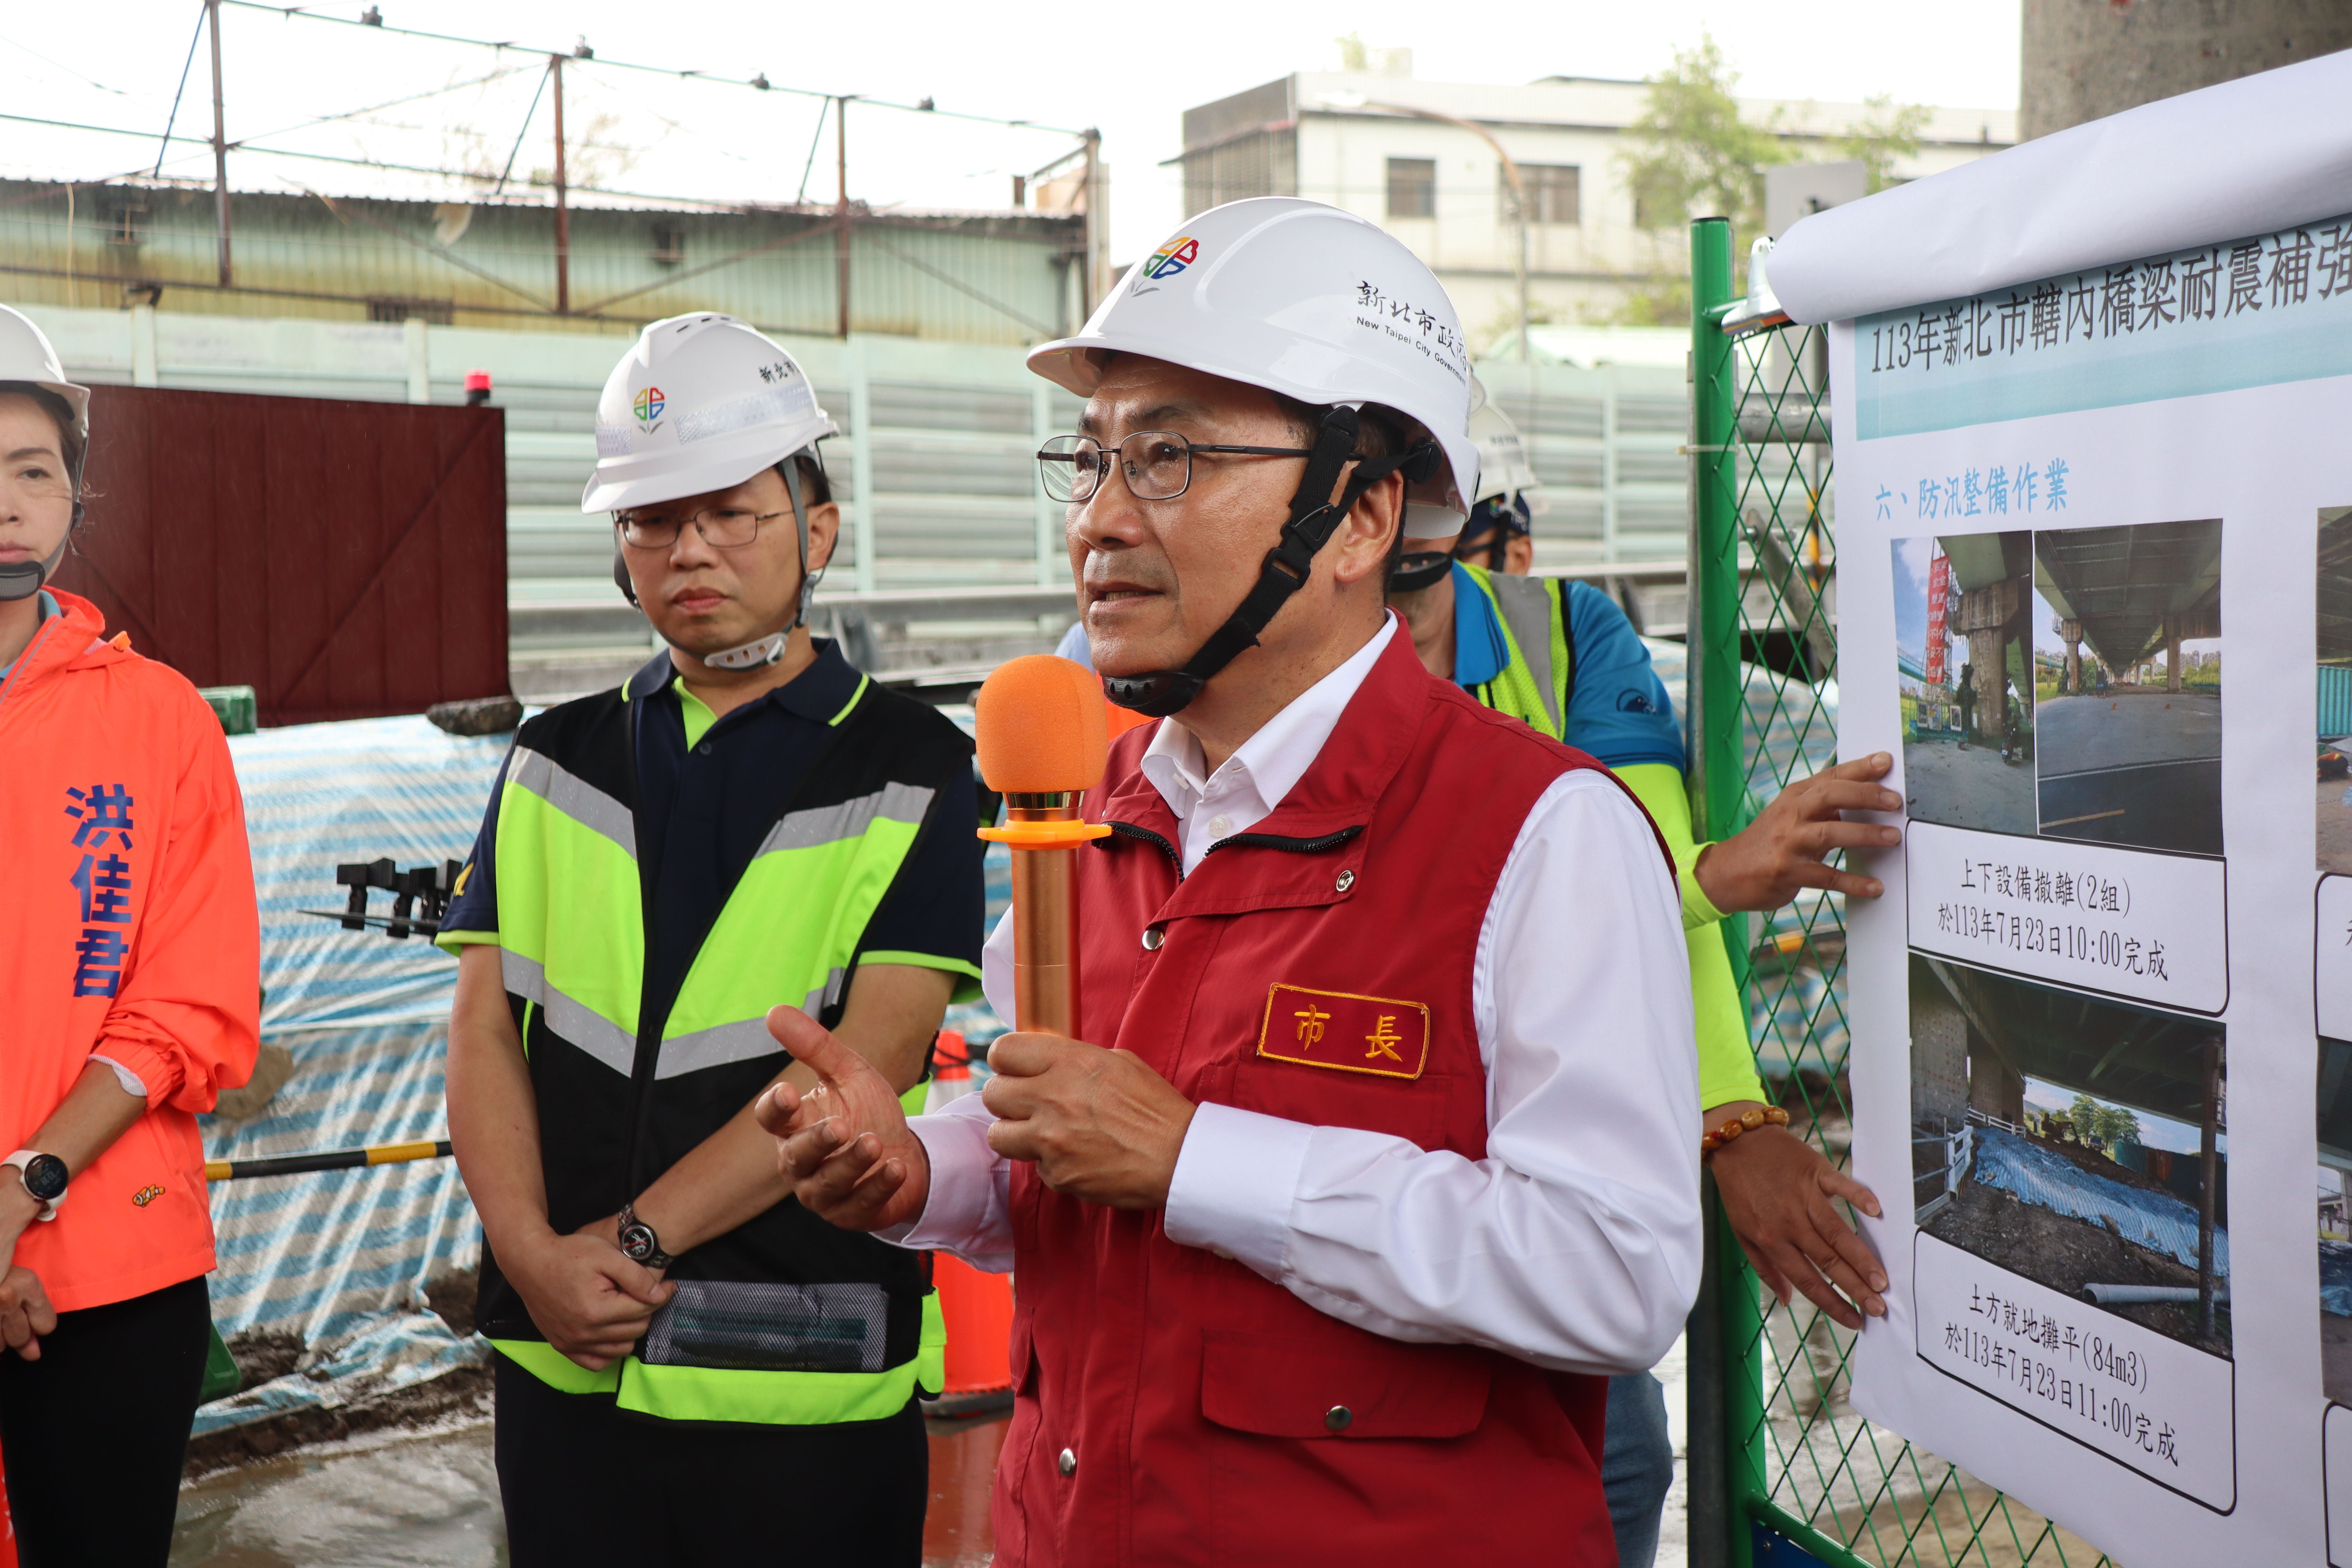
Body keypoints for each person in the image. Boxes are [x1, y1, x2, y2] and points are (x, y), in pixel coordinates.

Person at [756, 197, 1703, 1565]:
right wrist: (919, 1171)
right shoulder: (1090, 812)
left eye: (1172, 459)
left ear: (1361, 514)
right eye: (1090, 463)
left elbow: (1616, 1277)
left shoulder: (1543, 833)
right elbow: (1062, 1140)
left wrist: (1200, 1159)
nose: (1098, 524)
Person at [436, 314, 984, 1567]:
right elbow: (482, 1028)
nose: (688, 549)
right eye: (649, 520)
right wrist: (532, 1258)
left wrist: (622, 1249)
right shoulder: (550, 755)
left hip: (797, 1386)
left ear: (818, 526)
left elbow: (880, 1049)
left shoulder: (910, 763)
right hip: (562, 1367)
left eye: (731, 511)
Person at [1385, 396, 1900, 1566]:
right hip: (1377, 1175)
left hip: (1544, 1188)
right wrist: (1713, 876)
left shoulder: (1566, 638)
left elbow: (1641, 884)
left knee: (1612, 1470)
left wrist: (1729, 1119)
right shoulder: (1268, 668)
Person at [0, 303, 261, 1566]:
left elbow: (191, 1004)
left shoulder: (161, 722)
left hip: (114, 1267)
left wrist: (21, 1187)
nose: (6, 501)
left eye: (32, 470)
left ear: (73, 496)